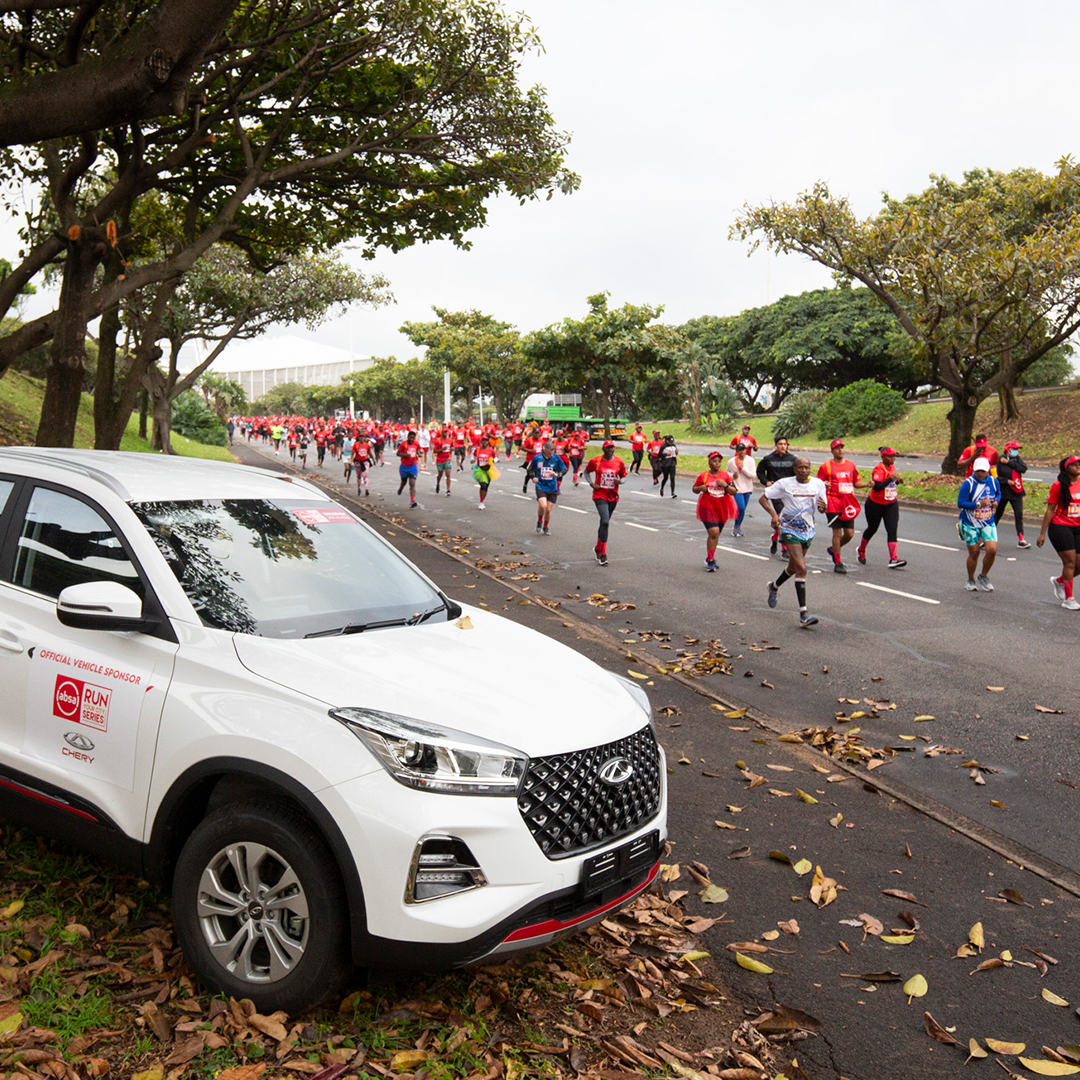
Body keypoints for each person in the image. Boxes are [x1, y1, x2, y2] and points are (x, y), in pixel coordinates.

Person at [759, 457, 828, 627]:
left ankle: (774, 586)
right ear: (794, 469)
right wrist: (774, 515)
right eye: (800, 468)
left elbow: (822, 505)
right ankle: (804, 614)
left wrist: (823, 507)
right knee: (802, 568)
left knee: (793, 567)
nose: (804, 471)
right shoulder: (784, 484)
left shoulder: (818, 484)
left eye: (807, 467)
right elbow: (763, 498)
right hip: (789, 529)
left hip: (807, 530)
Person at [1036, 455, 1080, 610]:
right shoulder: (1059, 485)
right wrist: (1042, 533)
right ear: (1066, 468)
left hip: (1077, 527)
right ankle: (1069, 599)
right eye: (1074, 464)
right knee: (1070, 562)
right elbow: (1050, 509)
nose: (1078, 466)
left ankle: (1059, 581)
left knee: (1079, 565)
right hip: (1060, 526)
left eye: (1079, 464)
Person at [817, 439, 865, 574]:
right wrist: (823, 486)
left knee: (849, 533)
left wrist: (868, 484)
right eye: (837, 448)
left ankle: (834, 549)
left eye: (842, 447)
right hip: (832, 503)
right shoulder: (825, 466)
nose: (840, 450)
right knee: (837, 532)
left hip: (847, 503)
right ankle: (838, 562)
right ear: (832, 451)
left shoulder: (850, 465)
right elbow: (818, 484)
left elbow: (856, 482)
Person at [856, 447, 906, 569]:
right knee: (872, 528)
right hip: (875, 505)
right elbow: (877, 487)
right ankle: (861, 549)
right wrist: (890, 479)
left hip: (891, 503)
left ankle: (893, 558)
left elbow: (890, 485)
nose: (893, 458)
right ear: (883, 457)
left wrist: (897, 481)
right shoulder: (879, 469)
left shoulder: (891, 467)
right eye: (890, 456)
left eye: (894, 456)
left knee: (892, 529)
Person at [957, 457, 1001, 592]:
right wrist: (978, 504)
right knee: (974, 552)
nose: (981, 474)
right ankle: (970, 579)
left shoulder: (994, 482)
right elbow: (961, 503)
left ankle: (984, 576)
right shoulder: (968, 484)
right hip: (970, 522)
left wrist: (996, 502)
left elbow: (998, 494)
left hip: (987, 520)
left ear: (987, 470)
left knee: (992, 550)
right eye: (978, 471)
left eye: (983, 471)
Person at [693, 451, 738, 571]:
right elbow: (694, 489)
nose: (717, 464)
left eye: (719, 461)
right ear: (709, 463)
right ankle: (711, 561)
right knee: (713, 532)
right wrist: (700, 488)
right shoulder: (704, 476)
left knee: (716, 534)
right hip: (707, 506)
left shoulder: (725, 475)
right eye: (714, 461)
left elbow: (734, 491)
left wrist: (725, 485)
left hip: (723, 506)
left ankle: (710, 556)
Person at [585, 441, 627, 565]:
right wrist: (591, 483)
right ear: (603, 449)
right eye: (608, 448)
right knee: (605, 521)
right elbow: (586, 472)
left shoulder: (619, 462)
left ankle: (598, 548)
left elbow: (624, 476)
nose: (610, 450)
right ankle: (603, 554)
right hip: (599, 494)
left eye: (612, 448)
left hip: (613, 496)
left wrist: (620, 482)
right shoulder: (596, 461)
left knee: (604, 522)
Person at [756, 437, 797, 556]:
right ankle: (785, 547)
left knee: (786, 519)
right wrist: (766, 482)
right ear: (776, 445)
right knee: (782, 518)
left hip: (789, 493)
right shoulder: (768, 459)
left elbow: (797, 475)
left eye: (785, 444)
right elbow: (760, 472)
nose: (783, 446)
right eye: (780, 444)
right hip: (775, 492)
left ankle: (775, 539)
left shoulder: (793, 459)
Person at [995, 441, 1029, 547]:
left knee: (1018, 514)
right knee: (998, 513)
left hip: (1016, 491)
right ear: (1008, 450)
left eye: (1017, 449)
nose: (1016, 451)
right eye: (1014, 449)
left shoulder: (1016, 459)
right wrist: (1007, 481)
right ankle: (986, 535)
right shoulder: (1000, 460)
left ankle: (1021, 538)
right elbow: (995, 477)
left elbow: (1023, 469)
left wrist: (1008, 463)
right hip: (1004, 491)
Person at [528, 440, 566, 534]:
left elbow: (564, 469)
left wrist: (557, 474)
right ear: (544, 450)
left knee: (548, 510)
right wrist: (533, 477)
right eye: (549, 452)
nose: (551, 454)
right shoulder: (537, 458)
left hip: (552, 487)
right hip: (540, 485)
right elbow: (530, 469)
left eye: (552, 452)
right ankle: (540, 520)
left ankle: (545, 527)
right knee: (543, 505)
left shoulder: (556, 458)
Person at [730, 442, 756, 537]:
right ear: (736, 451)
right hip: (737, 488)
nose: (742, 452)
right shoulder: (732, 461)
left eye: (743, 449)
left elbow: (753, 475)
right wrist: (733, 475)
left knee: (743, 509)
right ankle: (735, 527)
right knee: (740, 507)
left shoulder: (750, 460)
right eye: (740, 450)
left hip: (747, 488)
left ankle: (738, 527)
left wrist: (743, 468)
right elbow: (726, 473)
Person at [396, 429, 420, 508]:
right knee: (404, 482)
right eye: (410, 438)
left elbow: (418, 450)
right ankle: (401, 487)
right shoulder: (403, 444)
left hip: (413, 466)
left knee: (412, 483)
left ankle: (412, 501)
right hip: (404, 467)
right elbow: (398, 453)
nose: (411, 439)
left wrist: (419, 453)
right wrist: (405, 455)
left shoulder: (416, 443)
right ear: (408, 437)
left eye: (413, 438)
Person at [473, 440, 498, 509]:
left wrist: (493, 460)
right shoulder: (478, 449)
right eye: (483, 441)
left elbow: (495, 458)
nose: (484, 443)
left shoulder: (491, 450)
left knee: (486, 486)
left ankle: (482, 501)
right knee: (483, 485)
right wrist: (472, 460)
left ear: (488, 442)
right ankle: (481, 502)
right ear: (481, 442)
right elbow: (474, 456)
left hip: (488, 469)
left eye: (486, 441)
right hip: (480, 470)